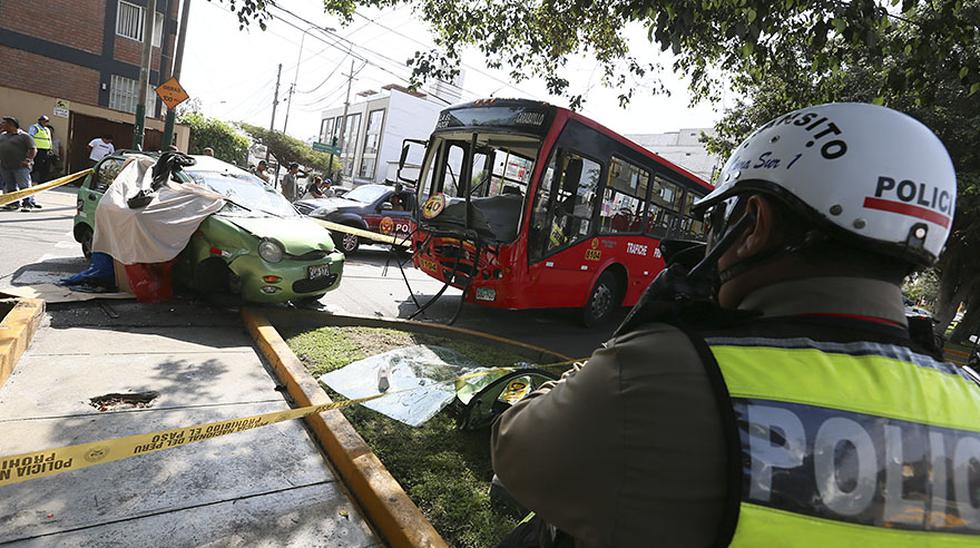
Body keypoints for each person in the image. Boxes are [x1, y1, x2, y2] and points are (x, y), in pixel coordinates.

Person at [491, 103, 979, 546]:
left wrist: (629, 342)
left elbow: (516, 449)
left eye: (719, 220)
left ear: (754, 225)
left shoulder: (666, 371)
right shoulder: (970, 403)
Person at [0, 116, 39, 211]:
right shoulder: (2, 136)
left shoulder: (24, 136)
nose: (2, 124)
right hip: (5, 166)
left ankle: (27, 203)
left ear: (11, 125)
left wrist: (28, 160)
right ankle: (13, 203)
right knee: (10, 186)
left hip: (21, 166)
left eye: (4, 123)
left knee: (24, 186)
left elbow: (33, 149)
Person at [27, 115, 52, 183]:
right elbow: (30, 137)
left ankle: (42, 181)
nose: (46, 122)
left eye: (47, 121)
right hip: (38, 150)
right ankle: (32, 180)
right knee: (36, 166)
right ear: (40, 121)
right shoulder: (35, 127)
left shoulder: (47, 129)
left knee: (45, 167)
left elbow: (48, 140)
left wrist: (50, 149)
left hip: (46, 151)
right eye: (44, 121)